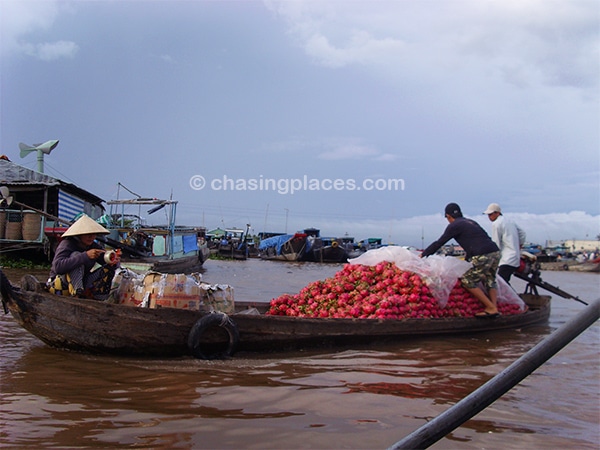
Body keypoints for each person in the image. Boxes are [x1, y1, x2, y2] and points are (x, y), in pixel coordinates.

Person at [421, 203, 500, 317]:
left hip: (483, 254)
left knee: (468, 281)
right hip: (495, 251)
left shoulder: (454, 225)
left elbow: (439, 242)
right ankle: (494, 307)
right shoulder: (470, 222)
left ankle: (491, 307)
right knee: (490, 279)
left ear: (448, 216)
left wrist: (424, 254)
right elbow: (477, 240)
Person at [47, 214, 120, 300]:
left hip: (83, 283)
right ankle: (76, 294)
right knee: (76, 256)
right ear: (79, 234)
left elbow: (106, 259)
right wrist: (85, 256)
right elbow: (58, 267)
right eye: (88, 234)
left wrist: (113, 261)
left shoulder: (93, 246)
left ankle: (100, 298)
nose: (91, 237)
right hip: (59, 286)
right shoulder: (67, 244)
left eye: (93, 234)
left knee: (108, 268)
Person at [484, 203, 526, 284]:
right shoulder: (510, 221)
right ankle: (512, 296)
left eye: (491, 214)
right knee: (504, 281)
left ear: (497, 213)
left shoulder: (496, 224)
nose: (489, 217)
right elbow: (522, 234)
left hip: (506, 259)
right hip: (514, 257)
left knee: (501, 283)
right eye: (488, 215)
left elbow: (496, 244)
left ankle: (512, 297)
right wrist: (519, 245)